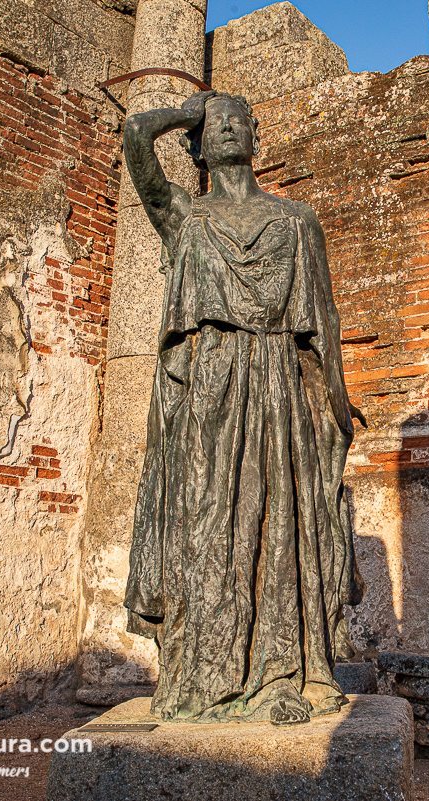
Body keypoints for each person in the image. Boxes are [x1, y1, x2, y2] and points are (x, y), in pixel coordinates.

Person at [121, 90, 366, 725]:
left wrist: (335, 393)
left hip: (280, 379)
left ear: (256, 136)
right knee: (205, 522)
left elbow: (325, 317)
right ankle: (203, 675)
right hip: (209, 382)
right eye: (216, 124)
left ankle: (281, 673)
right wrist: (190, 108)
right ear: (199, 144)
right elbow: (135, 136)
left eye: (239, 120)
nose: (228, 128)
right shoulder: (185, 217)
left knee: (278, 523)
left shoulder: (295, 219)